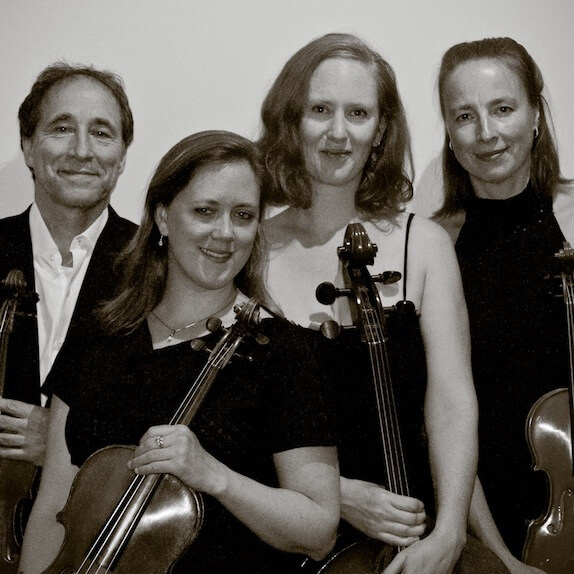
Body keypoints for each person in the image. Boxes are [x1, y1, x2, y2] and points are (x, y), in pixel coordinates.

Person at [19, 130, 340, 573]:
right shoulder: (99, 335)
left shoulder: (282, 352)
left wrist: (215, 476)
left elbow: (319, 530)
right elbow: (53, 509)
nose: (225, 233)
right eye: (205, 211)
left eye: (243, 215)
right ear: (164, 217)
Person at [258, 32, 507, 574]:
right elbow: (236, 420)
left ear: (380, 131)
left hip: (420, 528)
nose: (338, 132)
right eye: (320, 109)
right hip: (292, 529)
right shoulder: (251, 248)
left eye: (359, 113)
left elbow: (450, 404)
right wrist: (334, 493)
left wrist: (447, 536)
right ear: (291, 121)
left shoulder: (424, 245)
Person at [434, 37, 574, 572]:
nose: (486, 133)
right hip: (485, 519)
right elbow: (440, 418)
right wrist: (498, 560)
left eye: (503, 109)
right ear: (448, 131)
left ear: (535, 114)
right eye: (464, 116)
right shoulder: (435, 246)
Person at [0, 63, 137, 559]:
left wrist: (62, 443)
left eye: (101, 133)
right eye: (62, 128)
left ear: (121, 157)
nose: (82, 150)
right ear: (28, 147)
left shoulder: (159, 269)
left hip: (108, 544)